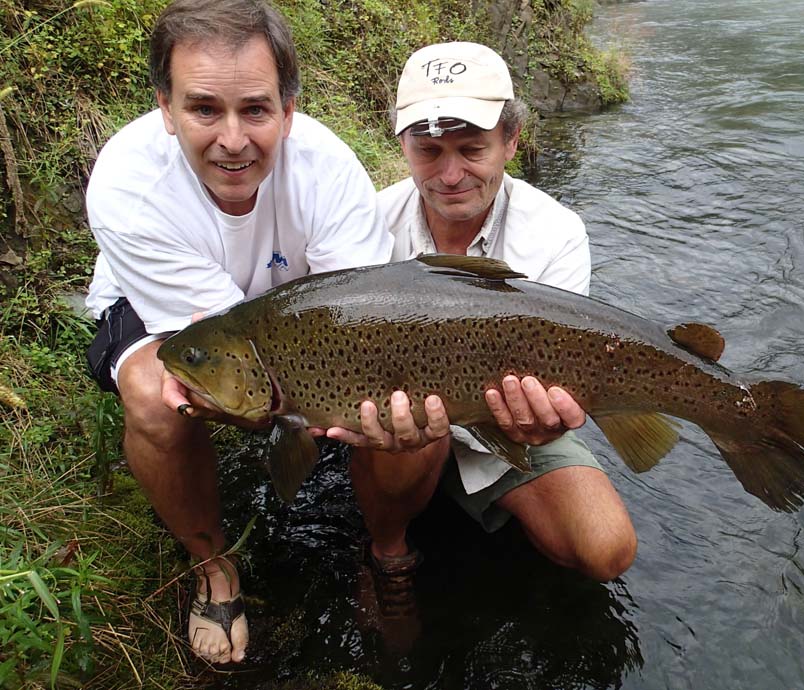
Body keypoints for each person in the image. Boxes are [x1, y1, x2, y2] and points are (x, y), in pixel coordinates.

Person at [82, 0, 401, 665]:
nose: (232, 140)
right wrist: (282, 413)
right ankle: (212, 566)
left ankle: (388, 552)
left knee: (398, 402)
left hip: (291, 309)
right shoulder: (127, 186)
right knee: (154, 397)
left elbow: (366, 316)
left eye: (255, 110)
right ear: (165, 110)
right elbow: (226, 359)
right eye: (204, 110)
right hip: (169, 309)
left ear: (289, 109)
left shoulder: (327, 169)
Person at [325, 42, 638, 625]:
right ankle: (387, 553)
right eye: (427, 150)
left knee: (607, 549)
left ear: (511, 141)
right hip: (400, 437)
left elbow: (566, 380)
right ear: (403, 147)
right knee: (407, 417)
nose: (449, 175)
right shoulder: (367, 224)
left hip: (501, 425)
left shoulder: (555, 233)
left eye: (472, 149)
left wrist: (545, 424)